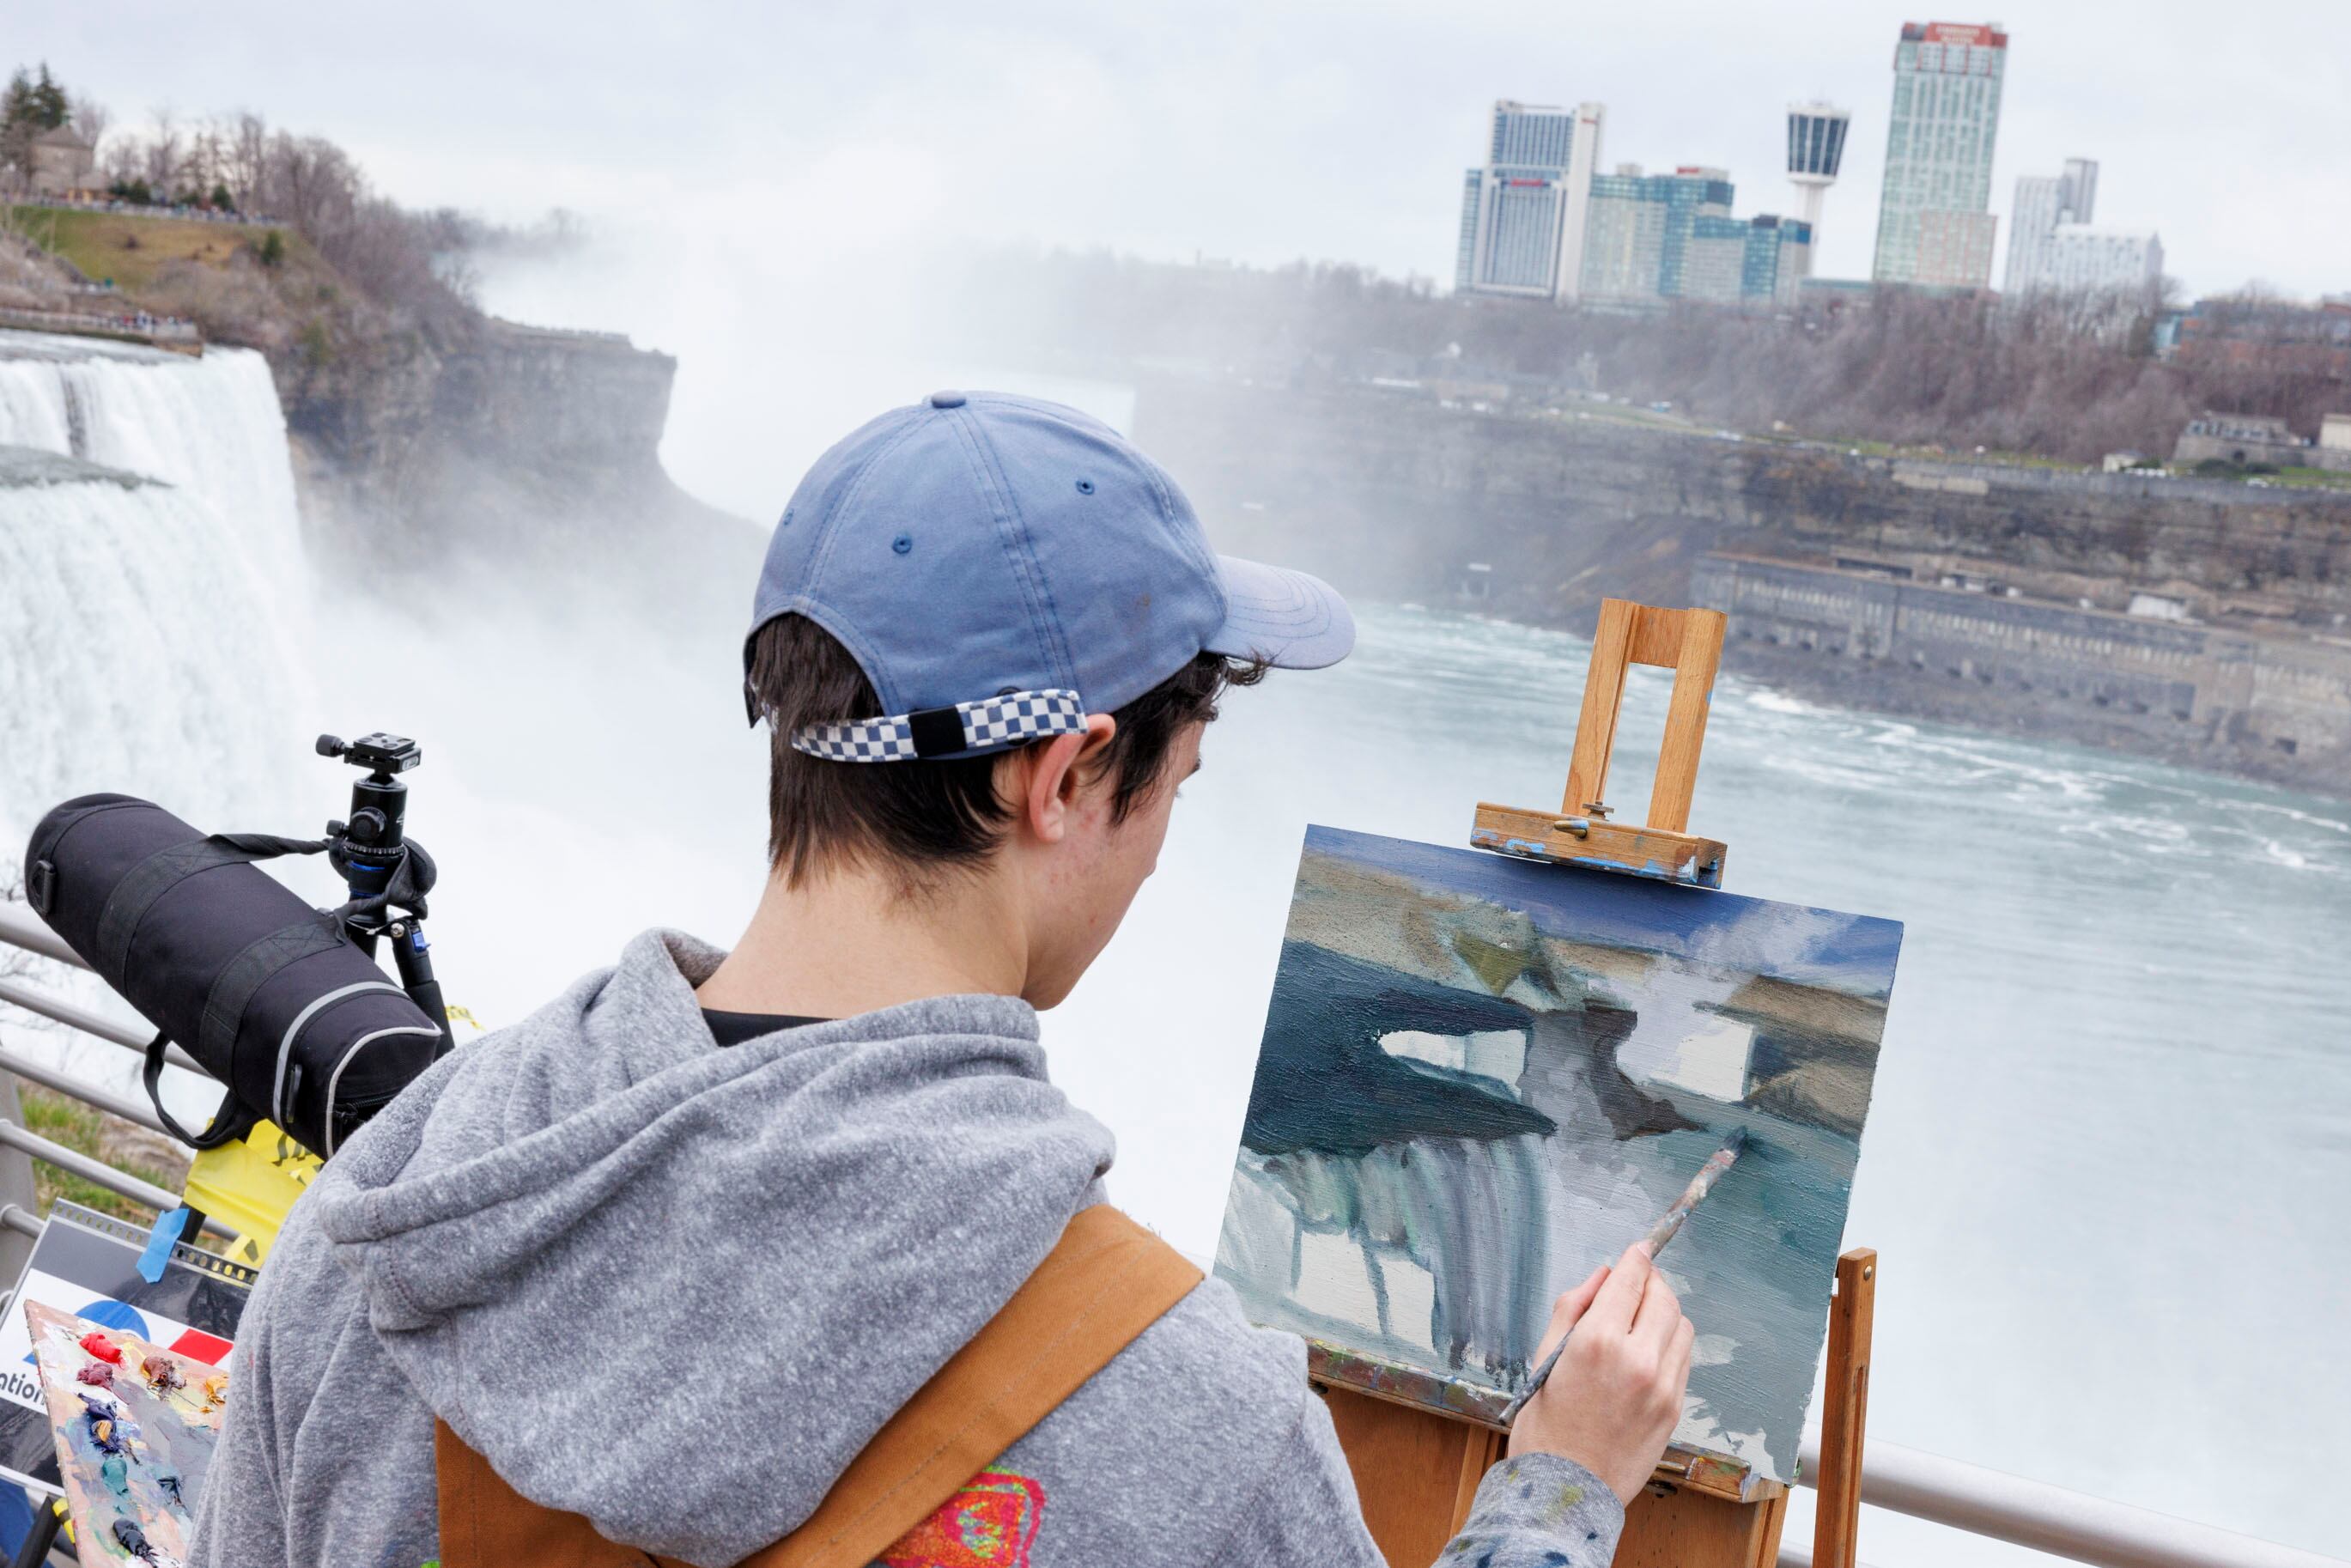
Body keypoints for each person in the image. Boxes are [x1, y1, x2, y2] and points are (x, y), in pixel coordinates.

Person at [192, 392, 1693, 1568]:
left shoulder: (388, 1219)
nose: (1165, 849)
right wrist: (1554, 1489)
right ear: (1063, 777)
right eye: (1177, 782)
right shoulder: (1190, 1429)